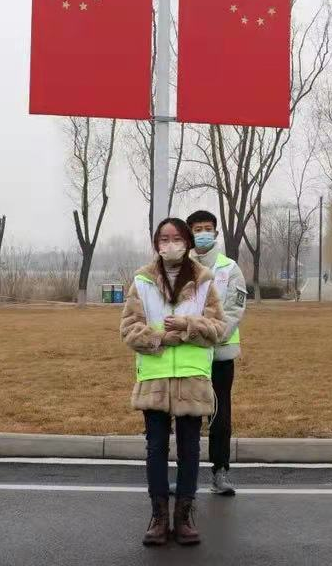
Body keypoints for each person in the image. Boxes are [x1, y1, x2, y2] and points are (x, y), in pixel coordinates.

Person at [120, 218, 226, 547]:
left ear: (187, 242)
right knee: (155, 448)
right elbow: (129, 330)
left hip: (192, 377)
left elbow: (218, 328)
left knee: (190, 449)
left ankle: (183, 516)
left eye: (176, 238)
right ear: (156, 244)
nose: (170, 244)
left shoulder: (204, 281)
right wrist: (163, 338)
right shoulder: (142, 280)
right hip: (154, 377)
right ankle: (158, 516)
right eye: (164, 239)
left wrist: (187, 325)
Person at [186, 210, 247, 497]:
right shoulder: (180, 268)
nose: (203, 233)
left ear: (216, 232)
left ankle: (220, 471)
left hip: (220, 355)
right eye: (197, 229)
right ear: (190, 234)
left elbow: (235, 309)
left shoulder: (229, 268)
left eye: (207, 228)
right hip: (188, 355)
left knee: (220, 416)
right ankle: (186, 475)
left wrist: (211, 335)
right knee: (187, 416)